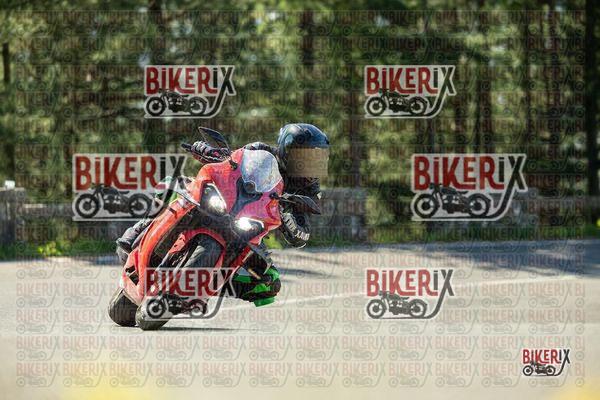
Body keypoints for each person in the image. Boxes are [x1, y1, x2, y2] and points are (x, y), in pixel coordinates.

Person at [116, 123, 330, 305]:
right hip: (224, 202)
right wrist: (211, 152)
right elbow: (234, 160)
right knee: (175, 184)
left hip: (252, 228)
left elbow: (302, 234)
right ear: (287, 151)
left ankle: (209, 286)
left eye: (317, 159)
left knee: (269, 283)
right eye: (306, 158)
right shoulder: (261, 151)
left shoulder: (309, 189)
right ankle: (139, 230)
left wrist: (288, 218)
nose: (311, 165)